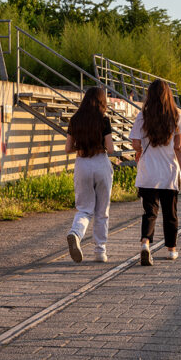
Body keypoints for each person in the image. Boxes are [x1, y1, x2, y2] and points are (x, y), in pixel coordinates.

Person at [130, 80, 181, 266]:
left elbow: (135, 143)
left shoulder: (143, 116)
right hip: (169, 172)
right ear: (168, 95)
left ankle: (145, 243)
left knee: (150, 212)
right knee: (170, 213)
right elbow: (179, 148)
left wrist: (139, 151)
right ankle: (171, 249)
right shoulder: (177, 115)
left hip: (148, 172)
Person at [65, 87, 115, 263]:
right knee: (102, 211)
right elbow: (110, 148)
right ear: (102, 102)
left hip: (82, 164)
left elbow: (68, 148)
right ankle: (100, 251)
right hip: (101, 163)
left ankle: (76, 233)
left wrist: (82, 147)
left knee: (84, 208)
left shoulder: (75, 120)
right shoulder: (104, 120)